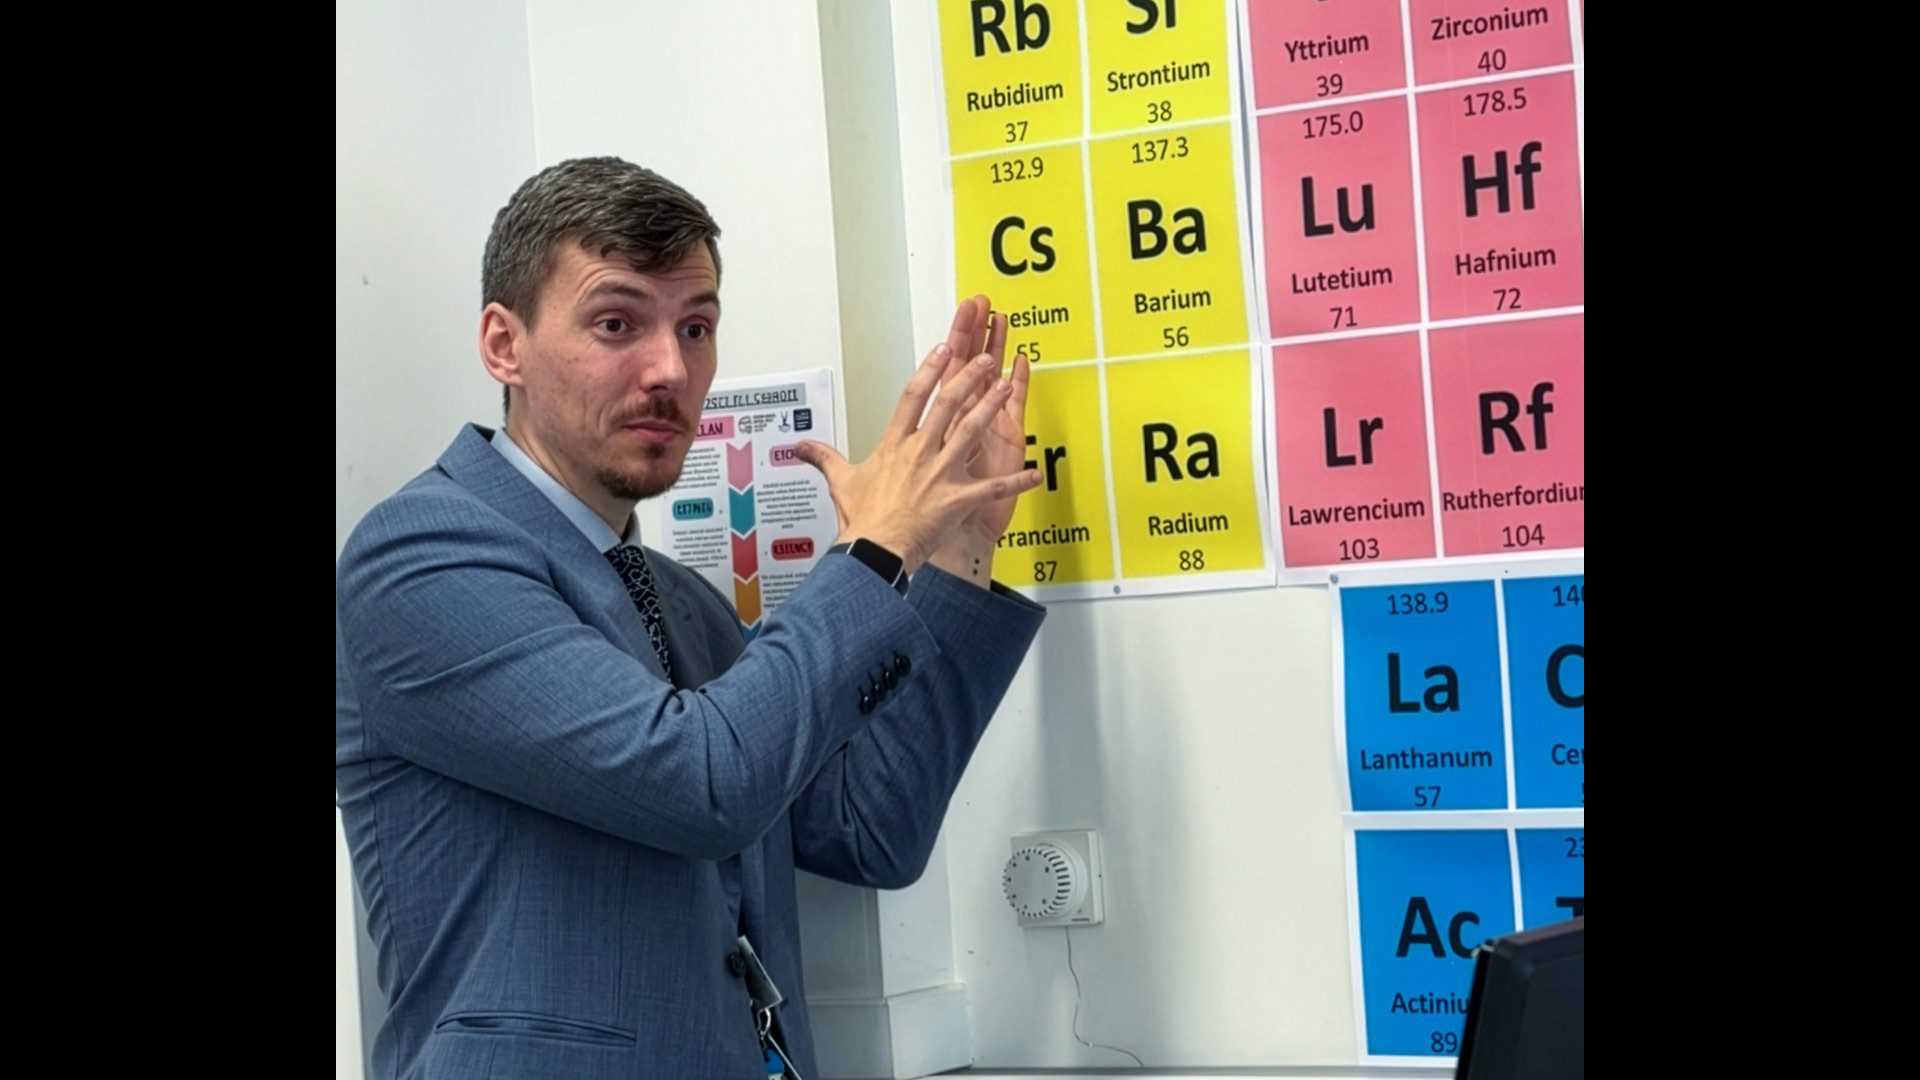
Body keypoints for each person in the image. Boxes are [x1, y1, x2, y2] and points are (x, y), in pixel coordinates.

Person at [336, 156, 1046, 1079]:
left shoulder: (680, 600)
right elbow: (704, 782)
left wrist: (955, 545)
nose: (671, 369)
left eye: (697, 327)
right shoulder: (419, 557)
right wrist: (874, 549)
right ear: (503, 346)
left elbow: (869, 828)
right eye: (617, 322)